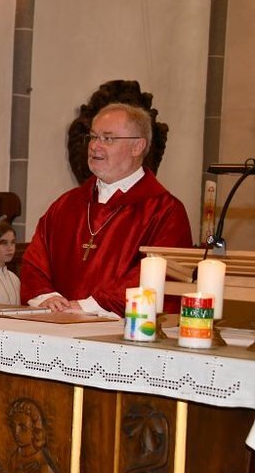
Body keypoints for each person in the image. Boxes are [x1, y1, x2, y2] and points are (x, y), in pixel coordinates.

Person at [20, 103, 192, 316]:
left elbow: (160, 273)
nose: (94, 146)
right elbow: (35, 259)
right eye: (93, 137)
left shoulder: (165, 211)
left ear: (137, 146)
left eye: (108, 139)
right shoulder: (67, 205)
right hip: (56, 323)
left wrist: (89, 306)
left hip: (123, 328)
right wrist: (46, 296)